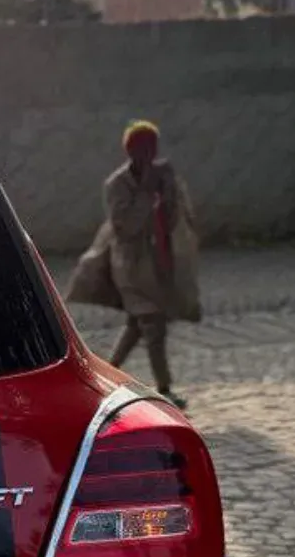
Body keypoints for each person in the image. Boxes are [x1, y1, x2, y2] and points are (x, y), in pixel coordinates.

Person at [68, 120, 201, 406]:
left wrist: (168, 193)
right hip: (128, 267)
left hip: (157, 264)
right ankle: (164, 388)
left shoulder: (161, 177)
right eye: (143, 149)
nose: (149, 155)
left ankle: (102, 376)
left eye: (153, 148)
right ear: (131, 151)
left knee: (136, 325)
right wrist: (145, 191)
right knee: (153, 323)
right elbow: (126, 227)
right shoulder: (117, 185)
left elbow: (176, 219)